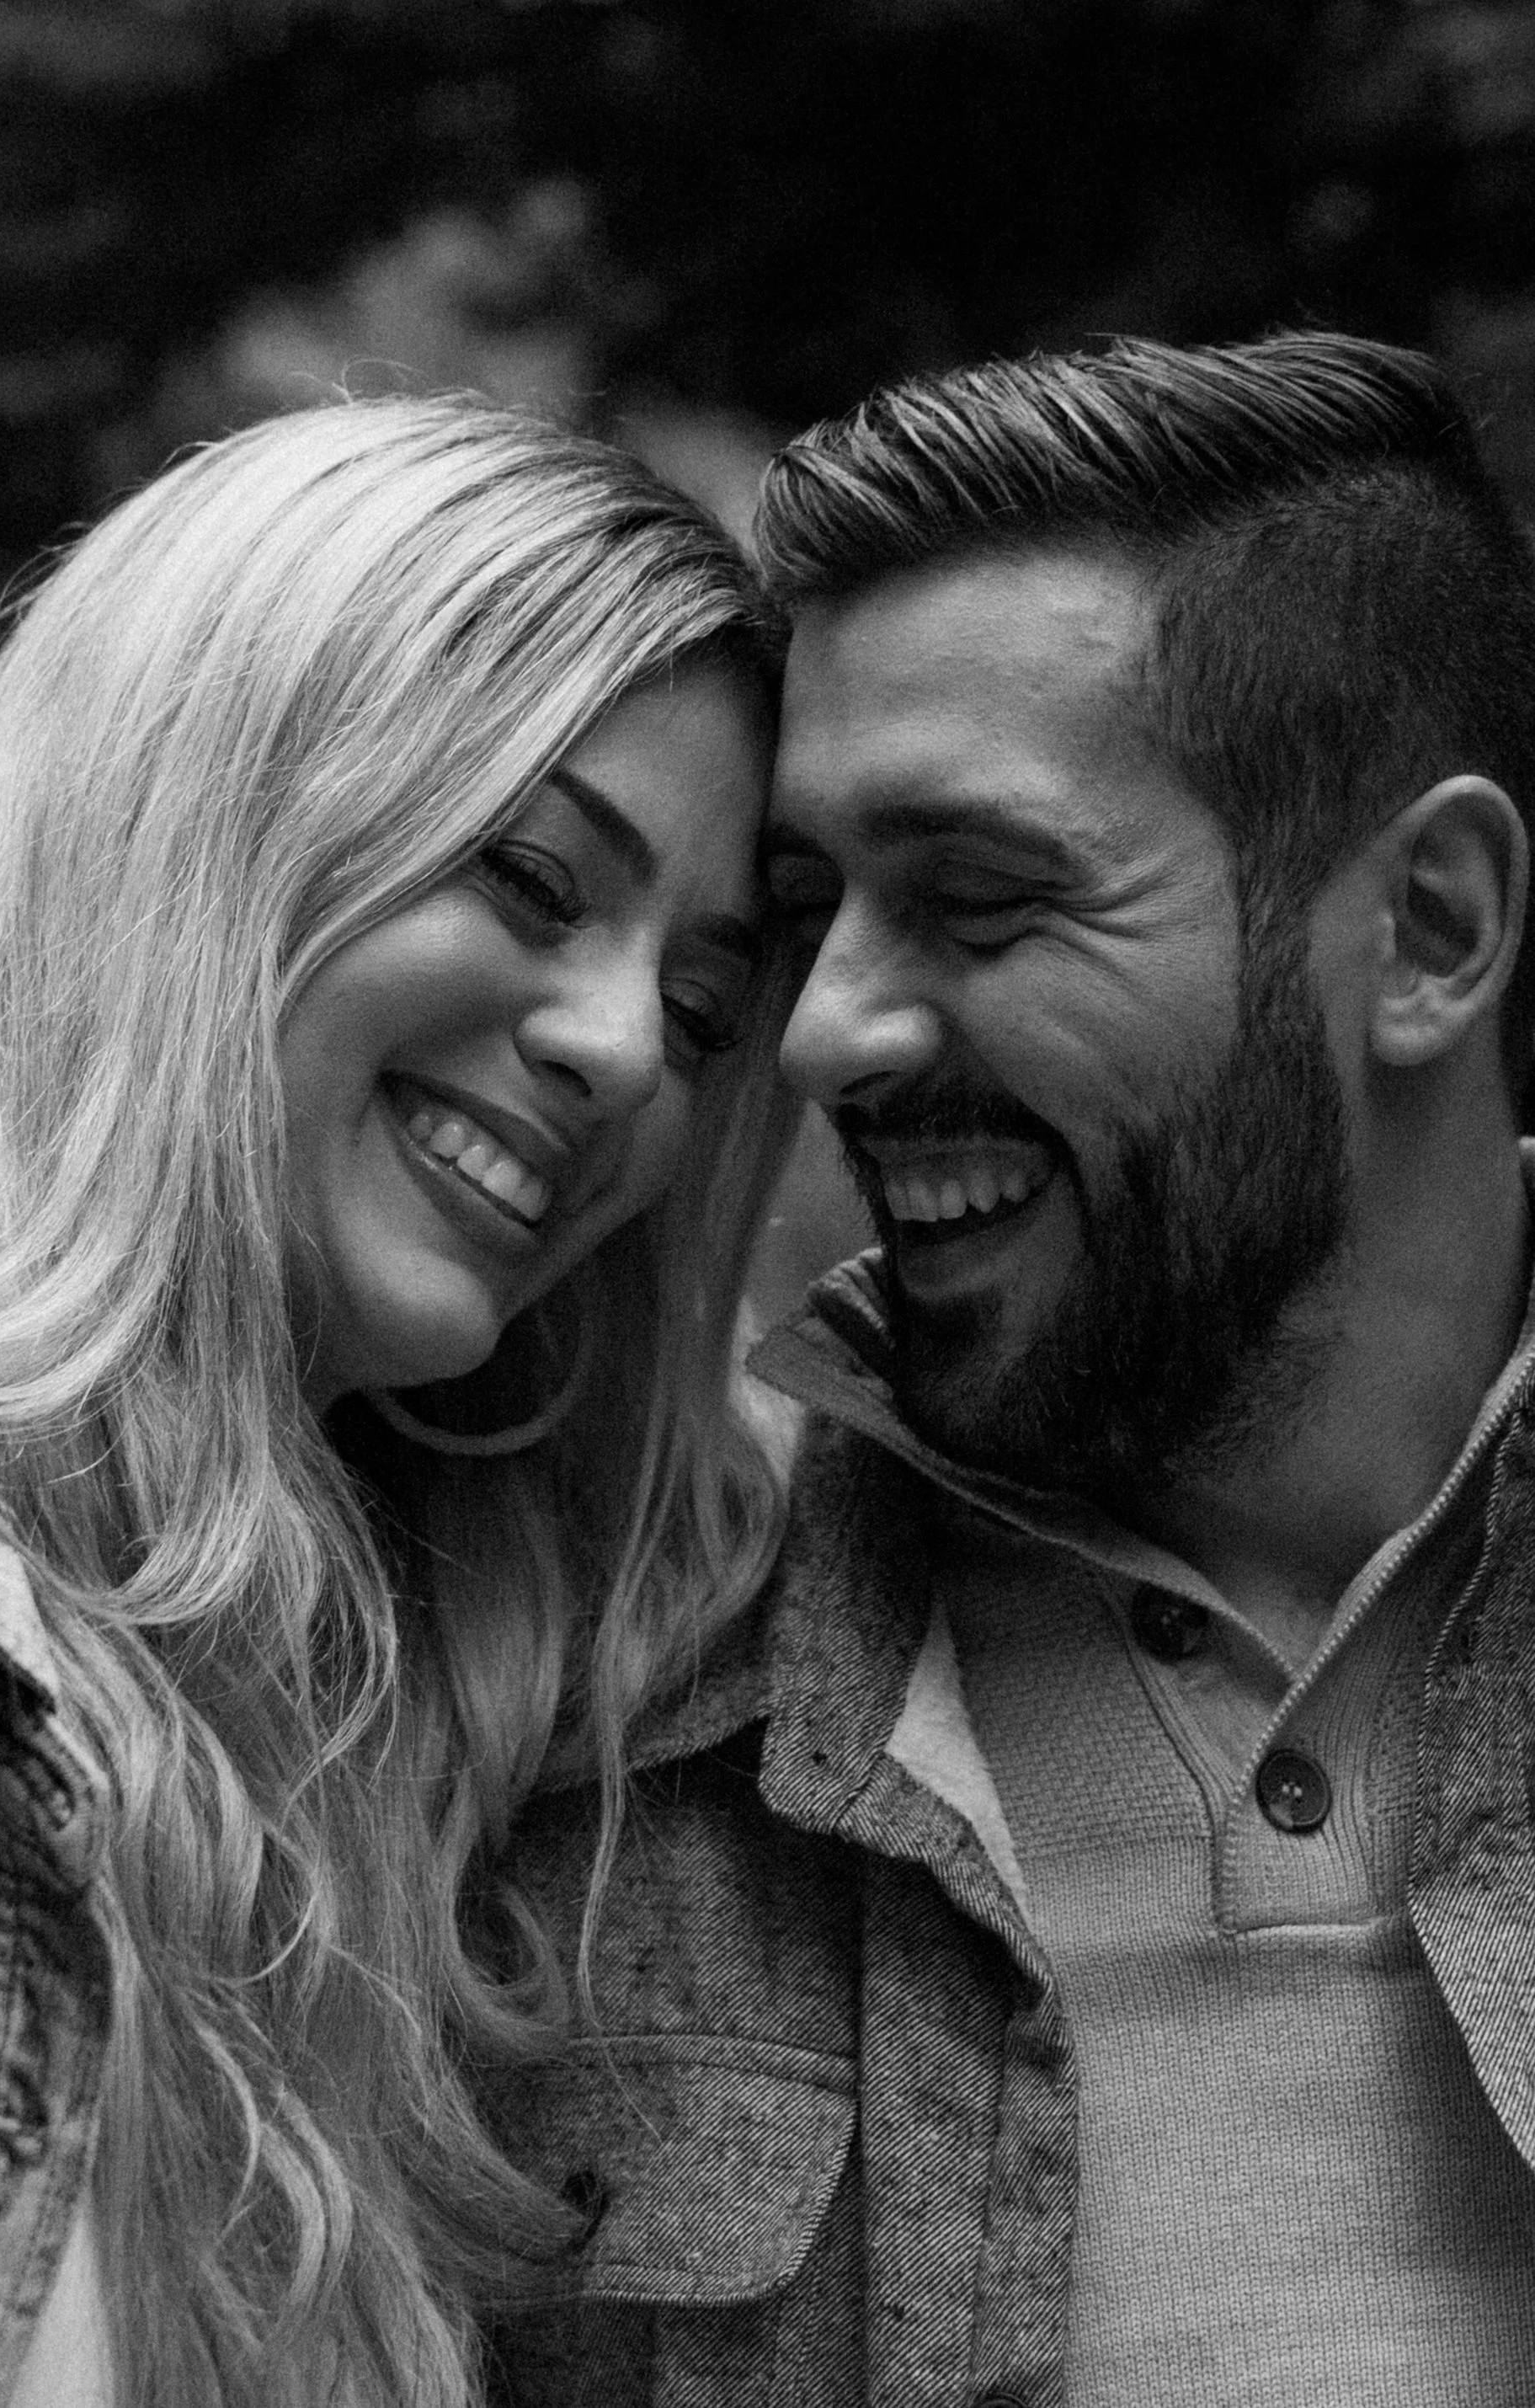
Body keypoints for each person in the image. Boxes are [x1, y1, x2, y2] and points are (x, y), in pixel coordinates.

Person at [485, 334, 1535, 2406]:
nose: (818, 1034)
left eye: (978, 901)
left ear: (1425, 929)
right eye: (807, 911)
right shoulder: (570, 1718)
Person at [0, 393, 796, 2406]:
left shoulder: (398, 1764)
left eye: (700, 1010)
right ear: (199, 811)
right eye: (530, 877)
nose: (622, 1054)